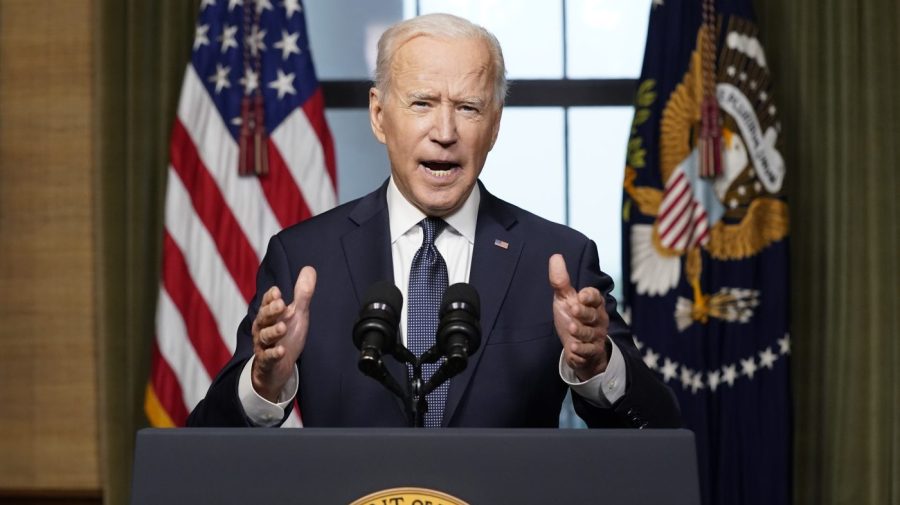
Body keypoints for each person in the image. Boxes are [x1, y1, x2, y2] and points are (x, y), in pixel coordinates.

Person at [187, 13, 680, 429]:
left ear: (495, 125)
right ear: (379, 116)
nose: (444, 132)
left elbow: (660, 429)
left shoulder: (558, 261)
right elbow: (207, 442)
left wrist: (598, 366)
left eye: (468, 107)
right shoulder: (305, 258)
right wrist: (264, 381)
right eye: (422, 103)